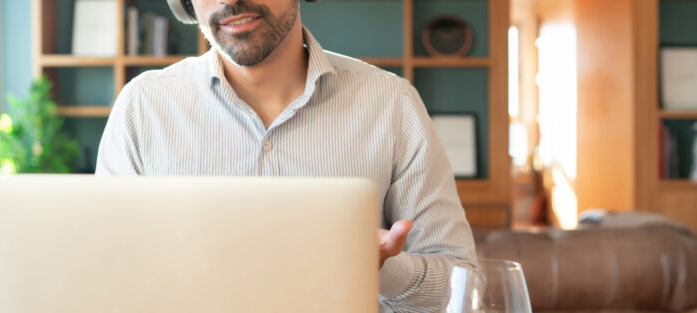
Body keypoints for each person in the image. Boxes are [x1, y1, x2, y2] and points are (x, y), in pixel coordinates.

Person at [95, 0, 476, 311]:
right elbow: (104, 280)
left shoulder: (392, 104)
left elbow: (461, 287)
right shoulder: (142, 107)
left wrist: (379, 268)